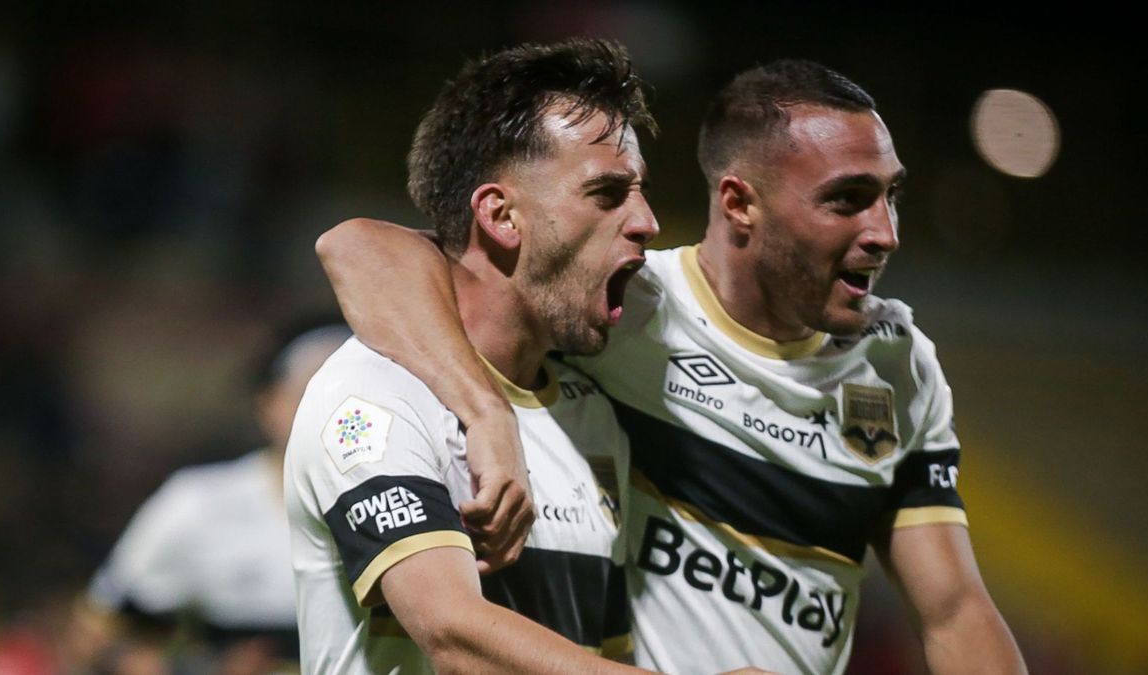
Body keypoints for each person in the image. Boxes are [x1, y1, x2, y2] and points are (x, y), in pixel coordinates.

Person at [316, 59, 1028, 674]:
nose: (884, 234)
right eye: (847, 199)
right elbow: (363, 251)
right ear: (740, 201)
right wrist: (483, 408)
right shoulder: (626, 308)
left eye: (891, 195)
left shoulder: (897, 366)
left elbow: (954, 611)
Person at [284, 39, 697, 674]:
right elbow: (454, 636)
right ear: (501, 215)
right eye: (607, 194)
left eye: (639, 193)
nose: (645, 221)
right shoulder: (373, 398)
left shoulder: (588, 414)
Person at [81, 320, 352, 674]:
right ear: (269, 403)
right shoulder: (199, 504)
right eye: (311, 392)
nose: (334, 413)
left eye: (353, 396)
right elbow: (99, 638)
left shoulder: (417, 503)